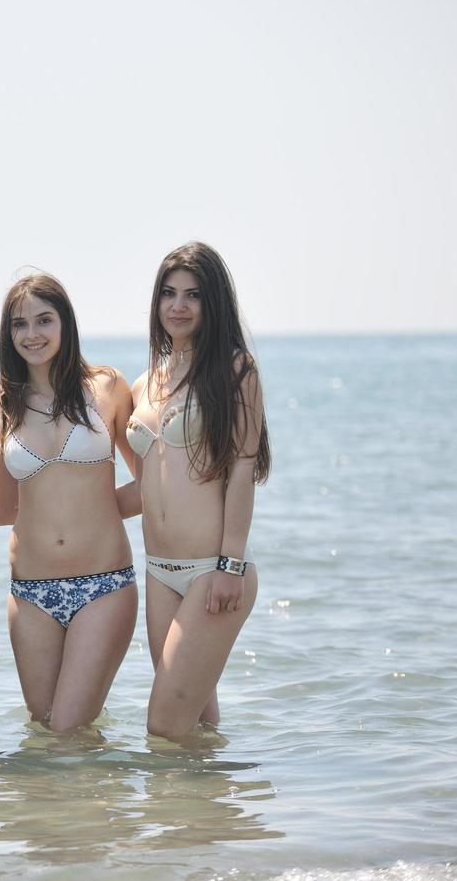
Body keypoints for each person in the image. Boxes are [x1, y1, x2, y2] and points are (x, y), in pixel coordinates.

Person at [0, 275, 140, 731]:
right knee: (46, 727)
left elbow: (150, 483)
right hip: (32, 593)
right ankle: (89, 802)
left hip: (104, 583)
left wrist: (97, 510)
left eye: (44, 320)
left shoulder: (107, 387)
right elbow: (5, 508)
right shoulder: (1, 409)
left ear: (65, 323)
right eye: (20, 324)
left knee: (67, 729)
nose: (32, 334)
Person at [128, 242, 271, 739]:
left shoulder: (235, 370)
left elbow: (241, 470)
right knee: (196, 726)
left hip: (213, 572)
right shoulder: (145, 382)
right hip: (159, 573)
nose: (178, 305)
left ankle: (189, 814)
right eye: (168, 293)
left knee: (163, 728)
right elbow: (146, 483)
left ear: (213, 302)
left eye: (193, 294)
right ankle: (209, 817)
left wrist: (230, 564)